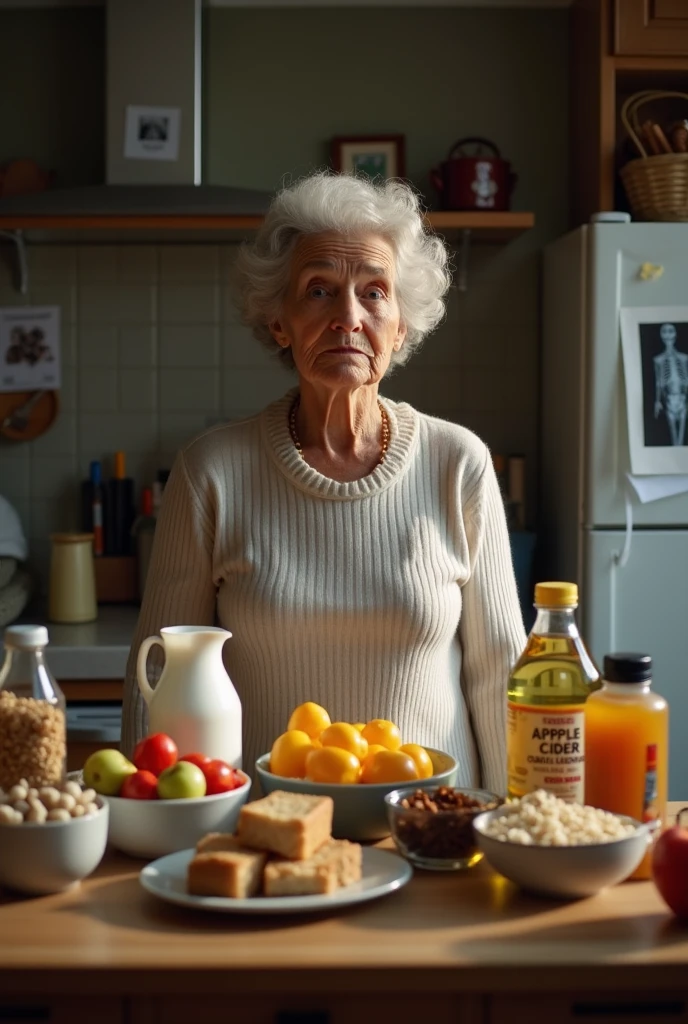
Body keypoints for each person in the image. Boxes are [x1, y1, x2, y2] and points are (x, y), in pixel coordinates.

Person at [121, 171, 526, 794]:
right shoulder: (212, 470)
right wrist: (147, 821)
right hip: (262, 830)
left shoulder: (458, 462)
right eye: (318, 291)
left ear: (402, 327)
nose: (348, 316)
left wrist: (517, 828)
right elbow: (156, 676)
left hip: (431, 830)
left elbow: (501, 674)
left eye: (374, 292)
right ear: (279, 322)